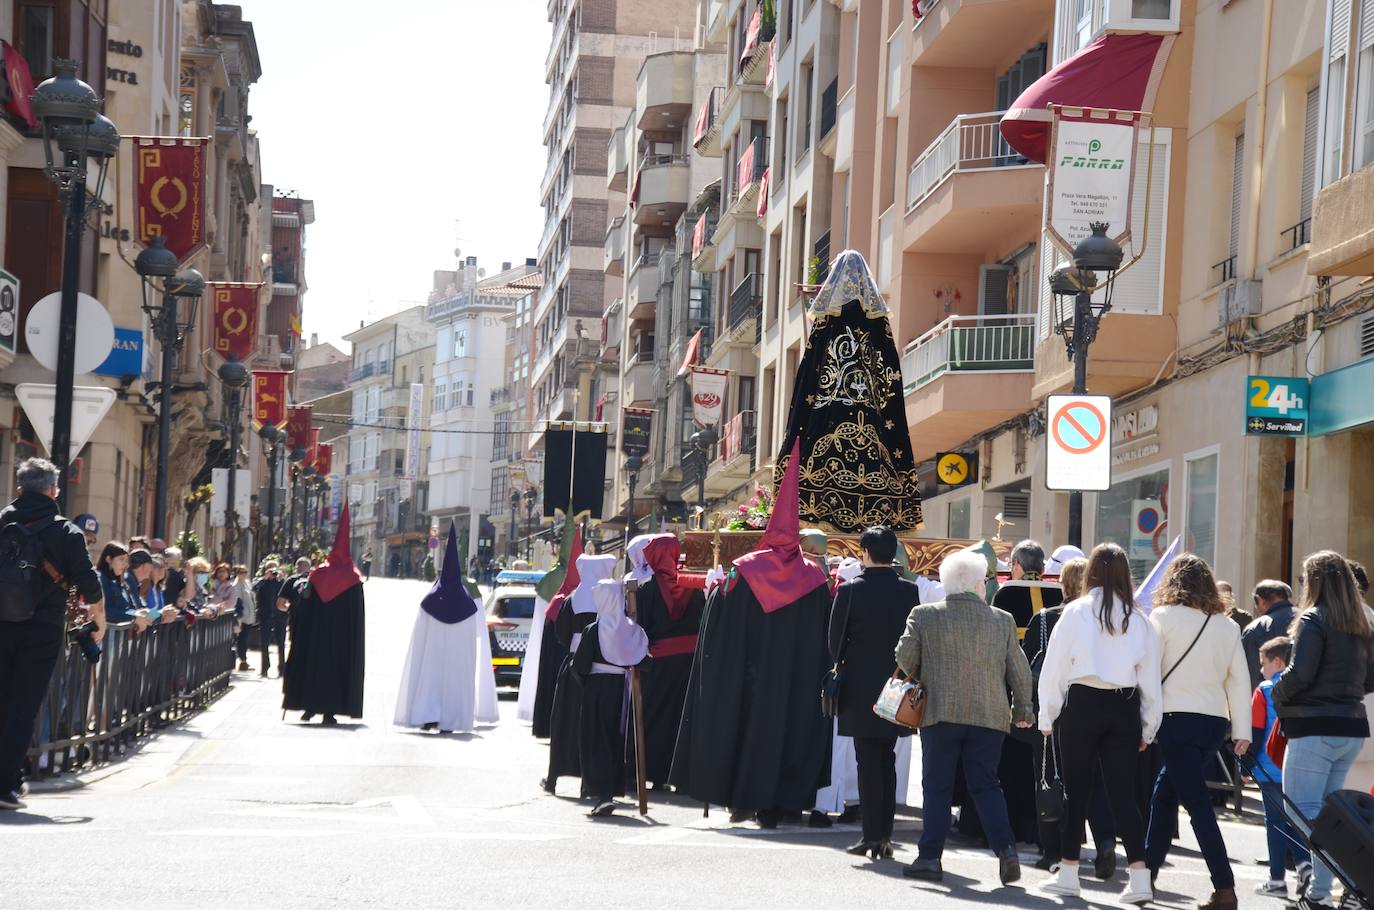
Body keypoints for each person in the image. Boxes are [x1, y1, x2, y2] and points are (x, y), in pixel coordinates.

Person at [671, 441, 833, 828]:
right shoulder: (815, 578)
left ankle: (743, 798)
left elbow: (719, 625)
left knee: (745, 732)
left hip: (748, 677)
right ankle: (783, 804)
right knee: (790, 734)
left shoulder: (743, 571)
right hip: (796, 681)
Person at [894, 548, 1033, 885]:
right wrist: (1022, 710)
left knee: (937, 787)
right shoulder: (1002, 620)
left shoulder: (924, 614)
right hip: (989, 716)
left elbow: (905, 659)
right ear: (975, 584)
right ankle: (1007, 851)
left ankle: (930, 857)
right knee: (986, 785)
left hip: (940, 714)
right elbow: (1020, 671)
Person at [1037, 543, 1161, 904]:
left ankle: (1069, 873)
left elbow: (1054, 668)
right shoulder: (1139, 619)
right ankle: (1140, 880)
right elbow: (1150, 680)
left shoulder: (1075, 612)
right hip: (1123, 707)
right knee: (1123, 796)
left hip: (1082, 705)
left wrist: (1048, 715)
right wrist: (1148, 727)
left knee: (1077, 792)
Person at [1143, 554, 1252, 910]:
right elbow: (1239, 680)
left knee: (1198, 807)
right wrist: (1242, 730)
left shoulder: (1161, 618)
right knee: (1165, 794)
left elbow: (1148, 672)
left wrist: (1144, 722)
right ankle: (1147, 876)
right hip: (1213, 724)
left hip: (1176, 720)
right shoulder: (1227, 626)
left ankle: (1225, 889)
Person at [0, 458, 104, 810]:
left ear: (20, 488)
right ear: (53, 490)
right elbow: (90, 585)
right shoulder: (67, 533)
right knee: (22, 706)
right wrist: (98, 620)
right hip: (41, 630)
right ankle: (6, 784)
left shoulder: (1, 522)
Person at [1273, 551, 1374, 910]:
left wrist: (1276, 693)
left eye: (1304, 579)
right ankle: (1323, 892)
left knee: (1304, 812)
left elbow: (1300, 673)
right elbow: (1370, 678)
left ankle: (1347, 884)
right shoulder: (1361, 623)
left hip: (1314, 725)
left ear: (1315, 581)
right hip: (1350, 723)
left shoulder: (1314, 618)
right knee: (1332, 817)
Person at [829, 525, 920, 858]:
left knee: (867, 760)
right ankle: (885, 835)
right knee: (887, 759)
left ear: (865, 553)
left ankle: (871, 835)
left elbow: (834, 644)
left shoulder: (850, 590)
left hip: (860, 687)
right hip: (897, 686)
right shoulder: (909, 592)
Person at [1022, 556, 1117, 876]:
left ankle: (1053, 850)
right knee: (1096, 780)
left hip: (1054, 706)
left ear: (1062, 584)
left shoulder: (1046, 618)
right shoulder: (1105, 620)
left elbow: (1028, 665)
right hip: (1096, 706)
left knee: (1049, 777)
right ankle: (1105, 839)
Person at [395, 524, 498, 734]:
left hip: (433, 656)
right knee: (454, 684)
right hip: (458, 660)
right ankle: (452, 719)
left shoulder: (431, 600)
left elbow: (419, 638)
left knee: (431, 680)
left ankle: (428, 715)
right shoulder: (468, 605)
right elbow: (474, 638)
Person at [624, 533, 703, 790]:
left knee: (654, 715)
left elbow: (639, 626)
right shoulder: (692, 585)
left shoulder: (647, 589)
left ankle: (653, 773)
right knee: (683, 716)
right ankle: (681, 776)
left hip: (659, 661)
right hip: (690, 662)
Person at [574, 567, 649, 816]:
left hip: (598, 690)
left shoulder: (594, 630)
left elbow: (580, 666)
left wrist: (588, 685)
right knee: (615, 739)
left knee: (597, 740)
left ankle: (602, 794)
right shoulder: (630, 628)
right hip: (621, 690)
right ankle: (609, 791)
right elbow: (645, 661)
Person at [281, 507, 367, 725]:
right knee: (336, 672)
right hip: (341, 641)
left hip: (316, 638)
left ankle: (309, 708)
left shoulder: (318, 574)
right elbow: (357, 619)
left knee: (314, 668)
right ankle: (330, 711)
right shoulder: (354, 580)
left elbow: (304, 602)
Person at [542, 552, 618, 794]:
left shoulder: (573, 599)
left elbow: (562, 635)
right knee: (593, 725)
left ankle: (554, 776)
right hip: (603, 668)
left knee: (564, 721)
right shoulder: (611, 598)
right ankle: (589, 781)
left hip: (574, 664)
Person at [1249, 635, 1299, 899]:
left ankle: (1277, 878)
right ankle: (1305, 868)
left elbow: (1256, 732)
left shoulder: (1264, 690)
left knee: (1276, 823)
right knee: (1298, 821)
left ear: (1278, 662)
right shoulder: (1302, 688)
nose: (1260, 669)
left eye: (1263, 663)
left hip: (1269, 767)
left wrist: (1247, 766)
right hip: (1296, 765)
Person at [993, 540, 1066, 634]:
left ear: (1016, 563)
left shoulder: (1004, 593)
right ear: (1042, 567)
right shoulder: (1059, 593)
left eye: (1011, 564)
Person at [1242, 580, 1296, 687]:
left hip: (1269, 698)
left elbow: (1251, 674)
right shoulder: (1309, 619)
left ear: (1260, 601)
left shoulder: (1254, 629)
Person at [98, 542, 149, 630]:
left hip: (118, 638)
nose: (126, 565)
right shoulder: (100, 579)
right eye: (121, 559)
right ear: (108, 559)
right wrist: (134, 616)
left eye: (126, 561)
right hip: (103, 637)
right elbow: (107, 611)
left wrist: (140, 612)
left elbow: (127, 608)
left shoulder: (120, 581)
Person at [253, 562, 287, 677]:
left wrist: (282, 578)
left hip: (280, 617)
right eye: (270, 569)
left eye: (274, 569)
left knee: (281, 644)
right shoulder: (262, 583)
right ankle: (264, 668)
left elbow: (288, 593)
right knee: (264, 643)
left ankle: (282, 668)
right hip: (265, 616)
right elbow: (254, 589)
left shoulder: (281, 583)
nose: (273, 572)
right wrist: (264, 578)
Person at [232, 565, 257, 672]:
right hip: (242, 617)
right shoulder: (236, 585)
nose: (244, 574)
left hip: (249, 616)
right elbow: (237, 601)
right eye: (241, 572)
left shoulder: (247, 583)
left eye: (245, 572)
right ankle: (242, 661)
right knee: (241, 639)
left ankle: (244, 660)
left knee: (245, 639)